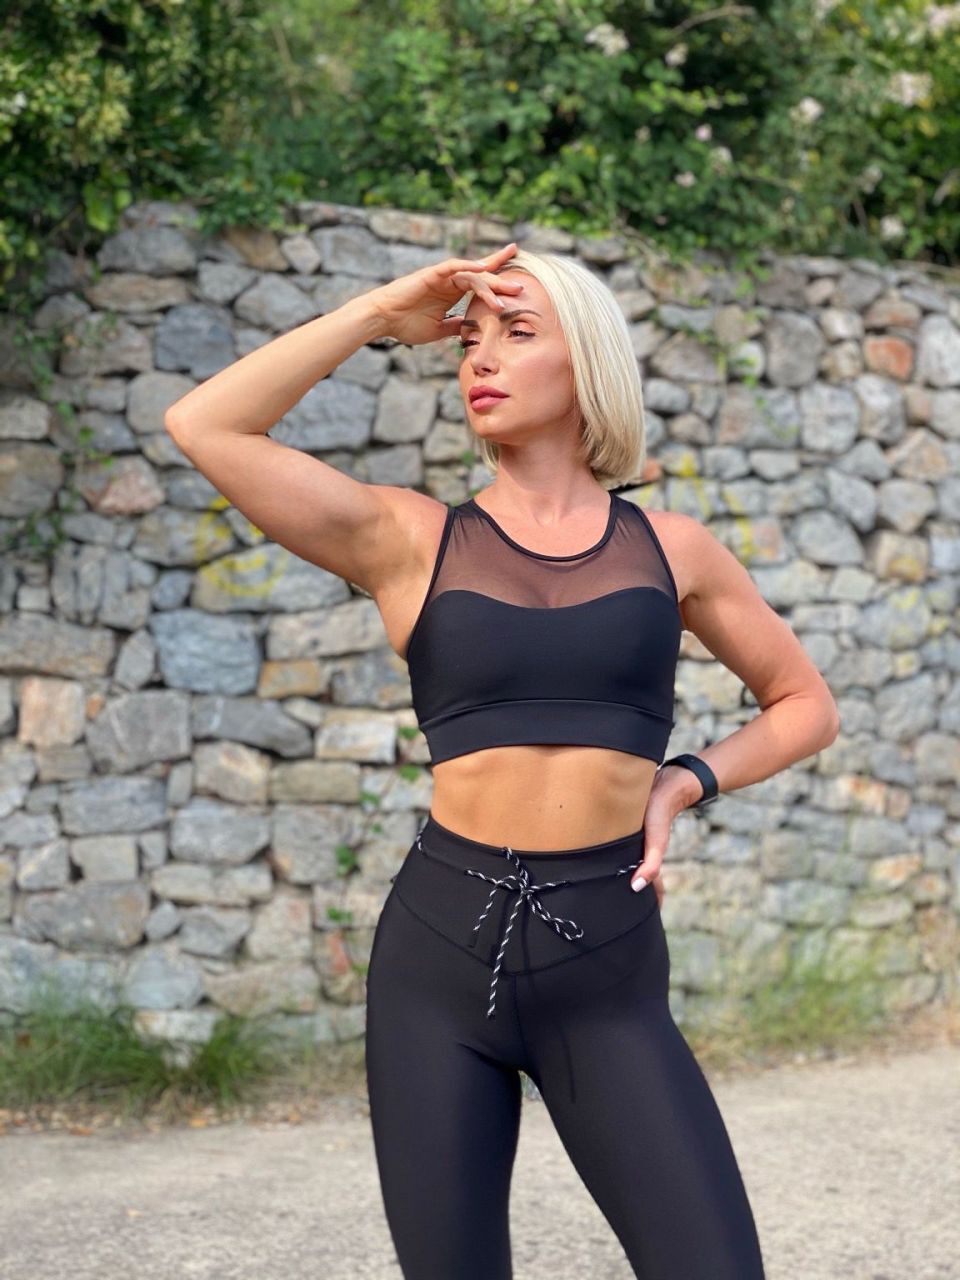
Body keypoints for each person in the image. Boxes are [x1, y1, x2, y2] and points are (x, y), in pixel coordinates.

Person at [164, 241, 840, 1278]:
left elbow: (805, 705)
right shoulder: (408, 538)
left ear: (589, 363)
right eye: (469, 340)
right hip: (435, 962)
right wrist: (379, 311)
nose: (480, 357)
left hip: (606, 966)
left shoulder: (674, 549)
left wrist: (683, 779)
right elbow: (204, 424)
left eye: (517, 332)